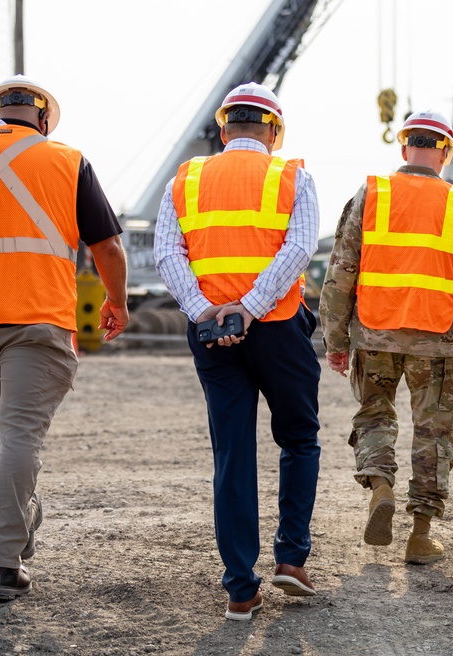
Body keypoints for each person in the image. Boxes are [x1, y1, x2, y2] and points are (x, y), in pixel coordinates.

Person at [154, 82, 322, 621]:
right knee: (298, 437)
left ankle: (239, 589)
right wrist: (250, 306)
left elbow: (166, 251)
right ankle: (291, 559)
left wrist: (205, 309)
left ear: (224, 128)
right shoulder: (292, 175)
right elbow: (299, 246)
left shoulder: (186, 178)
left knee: (232, 453)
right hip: (275, 325)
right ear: (273, 131)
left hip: (211, 333)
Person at [0, 75, 129, 601]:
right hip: (40, 321)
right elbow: (109, 249)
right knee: (19, 437)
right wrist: (117, 303)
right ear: (44, 119)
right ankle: (3, 564)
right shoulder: (68, 161)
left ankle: (18, 521)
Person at [319, 110, 453, 566]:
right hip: (436, 338)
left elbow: (340, 273)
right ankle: (420, 534)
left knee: (375, 414)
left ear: (403, 149)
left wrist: (336, 341)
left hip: (374, 333)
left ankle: (380, 484)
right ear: (444, 152)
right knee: (434, 431)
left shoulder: (372, 193)